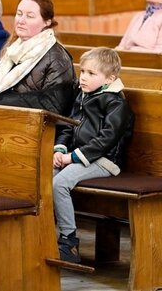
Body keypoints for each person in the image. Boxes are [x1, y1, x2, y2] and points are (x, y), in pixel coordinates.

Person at [52, 47, 134, 263]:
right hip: (79, 156)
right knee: (44, 176)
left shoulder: (116, 103)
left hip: (105, 161)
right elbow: (69, 126)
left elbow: (107, 140)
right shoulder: (83, 95)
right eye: (82, 71)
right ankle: (44, 233)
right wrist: (60, 149)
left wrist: (73, 157)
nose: (83, 77)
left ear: (109, 79)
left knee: (60, 183)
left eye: (91, 73)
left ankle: (68, 241)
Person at [0, 0, 76, 117]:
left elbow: (54, 104)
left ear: (47, 22)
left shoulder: (57, 57)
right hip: (4, 118)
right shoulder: (12, 50)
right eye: (19, 14)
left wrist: (1, 101)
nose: (21, 21)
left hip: (33, 125)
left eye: (30, 16)